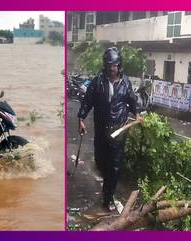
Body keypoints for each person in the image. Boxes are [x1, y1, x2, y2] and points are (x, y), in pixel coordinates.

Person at [77, 47, 143, 211]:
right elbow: (87, 102)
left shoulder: (125, 82)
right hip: (101, 129)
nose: (112, 68)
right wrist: (81, 119)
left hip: (119, 130)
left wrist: (137, 114)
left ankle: (108, 198)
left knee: (115, 165)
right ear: (105, 65)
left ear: (119, 65)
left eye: (115, 65)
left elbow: (132, 100)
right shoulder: (97, 82)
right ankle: (108, 185)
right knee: (101, 161)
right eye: (109, 65)